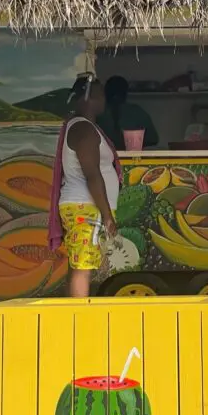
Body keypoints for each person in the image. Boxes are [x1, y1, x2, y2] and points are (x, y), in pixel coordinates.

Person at [48, 74, 121, 297]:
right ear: (90, 99)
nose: (104, 102)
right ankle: (79, 322)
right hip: (86, 207)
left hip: (83, 206)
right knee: (83, 268)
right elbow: (92, 175)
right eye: (100, 96)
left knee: (79, 263)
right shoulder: (84, 130)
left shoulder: (81, 126)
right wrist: (107, 215)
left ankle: (74, 317)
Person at [97, 76, 159, 151]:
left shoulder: (98, 111)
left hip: (104, 158)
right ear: (125, 93)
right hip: (131, 158)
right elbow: (153, 139)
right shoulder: (136, 111)